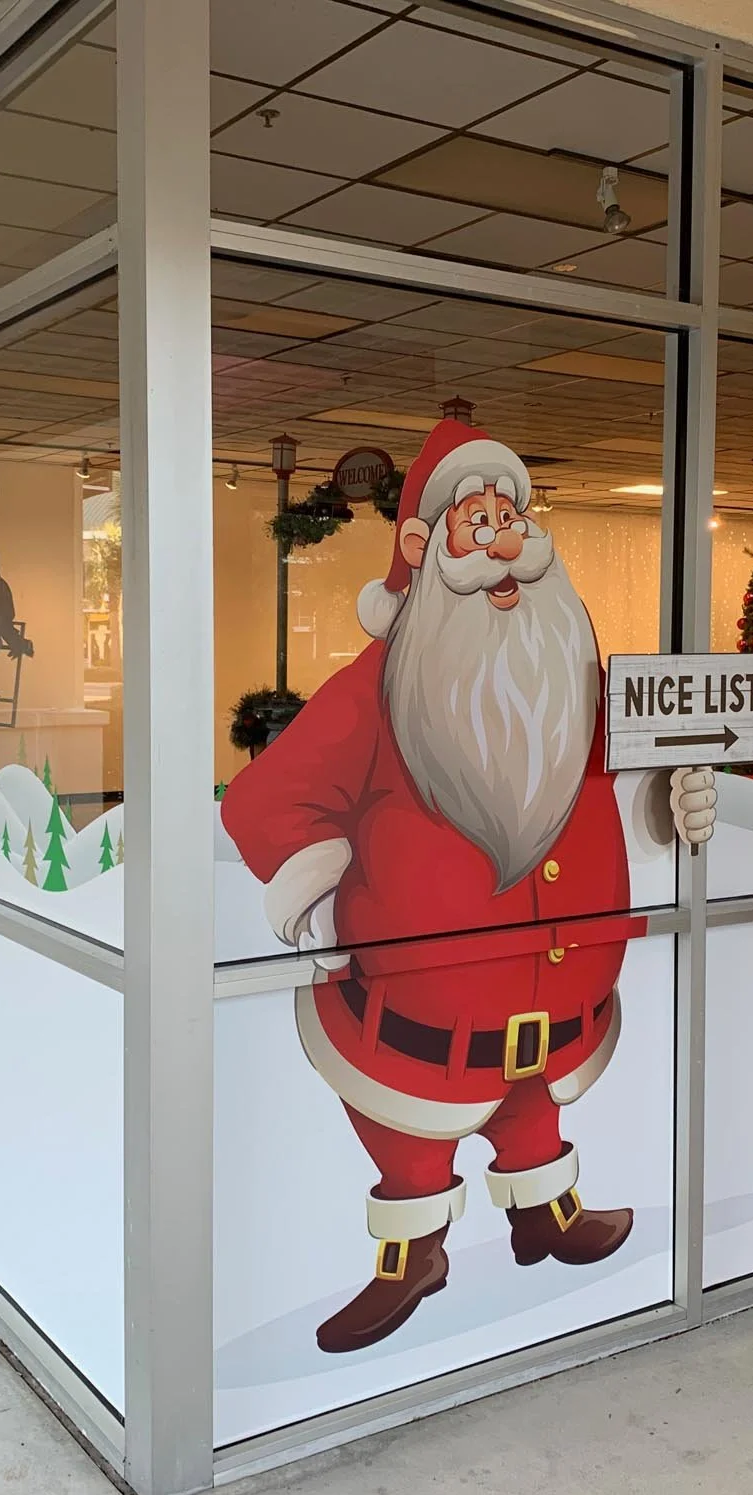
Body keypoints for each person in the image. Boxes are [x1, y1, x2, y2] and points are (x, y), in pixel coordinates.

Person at [222, 418, 715, 1354]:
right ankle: (413, 1256)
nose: (503, 543)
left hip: (563, 1000)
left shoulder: (578, 676)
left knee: (534, 1108)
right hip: (416, 1023)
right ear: (420, 548)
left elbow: (635, 770)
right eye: (475, 519)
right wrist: (326, 897)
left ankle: (547, 1213)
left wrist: (669, 799)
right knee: (411, 1138)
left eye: (513, 516)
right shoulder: (381, 687)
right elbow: (264, 801)